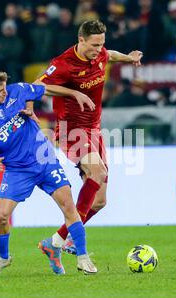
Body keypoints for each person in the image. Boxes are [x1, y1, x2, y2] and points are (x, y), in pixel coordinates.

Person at [0, 64, 97, 276]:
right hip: (17, 170)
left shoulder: (17, 90)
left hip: (44, 159)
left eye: (4, 88)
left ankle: (83, 258)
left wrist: (74, 92)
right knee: (1, 216)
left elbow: (46, 87)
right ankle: (3, 259)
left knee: (69, 206)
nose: (4, 93)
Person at [36, 20, 143, 255]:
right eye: (94, 44)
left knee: (100, 202)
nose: (99, 49)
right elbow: (36, 86)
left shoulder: (100, 53)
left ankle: (54, 242)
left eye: (101, 44)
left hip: (94, 129)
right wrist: (72, 91)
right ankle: (73, 239)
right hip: (71, 129)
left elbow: (109, 55)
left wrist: (128, 57)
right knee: (99, 172)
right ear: (81, 40)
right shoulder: (63, 64)